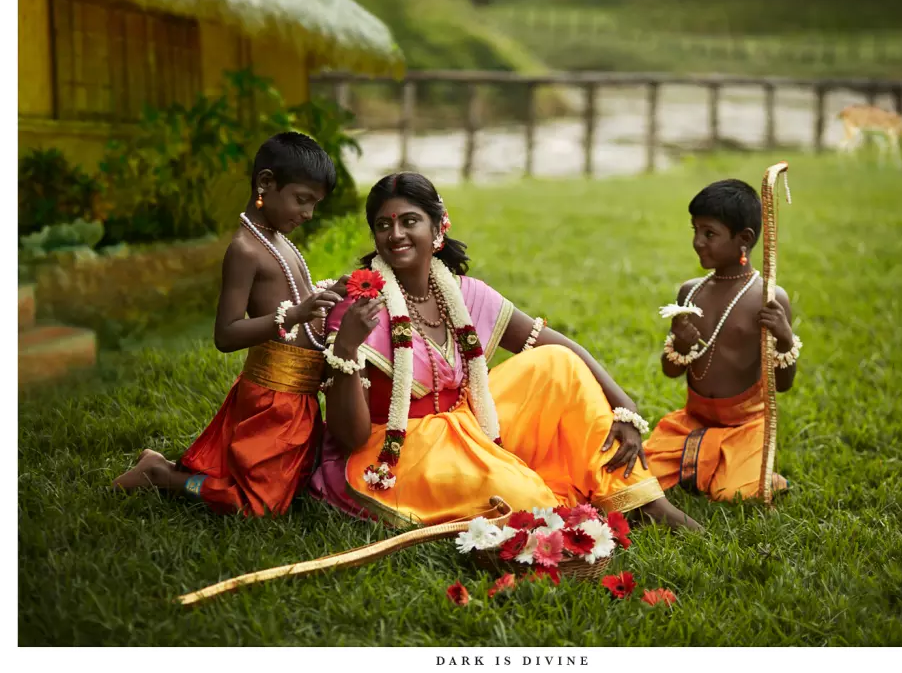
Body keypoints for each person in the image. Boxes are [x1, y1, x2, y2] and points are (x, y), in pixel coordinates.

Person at [310, 172, 702, 531]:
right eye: (383, 225)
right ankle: (547, 500)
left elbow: (557, 346)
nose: (395, 234)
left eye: (409, 221)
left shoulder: (465, 293)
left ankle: (644, 501)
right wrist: (346, 346)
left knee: (558, 364)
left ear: (438, 226)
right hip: (395, 451)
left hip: (468, 422)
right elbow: (350, 437)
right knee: (525, 500)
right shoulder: (360, 307)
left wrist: (624, 405)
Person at [112, 132, 347, 516]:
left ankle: (170, 469)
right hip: (273, 398)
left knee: (293, 488)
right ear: (266, 183)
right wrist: (294, 315)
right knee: (257, 504)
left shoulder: (278, 240)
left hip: (298, 397)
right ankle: (163, 475)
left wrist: (330, 293)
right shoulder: (245, 249)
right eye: (302, 200)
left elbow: (297, 297)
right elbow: (226, 334)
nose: (308, 214)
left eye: (314, 204)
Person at [643, 179, 800, 502]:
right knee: (640, 476)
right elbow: (671, 371)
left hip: (745, 425)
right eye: (695, 230)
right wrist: (680, 345)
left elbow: (782, 385)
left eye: (709, 233)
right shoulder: (690, 292)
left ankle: (749, 469)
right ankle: (711, 460)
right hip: (694, 421)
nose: (698, 242)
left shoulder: (768, 298)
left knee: (733, 494)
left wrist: (785, 341)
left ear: (744, 239)